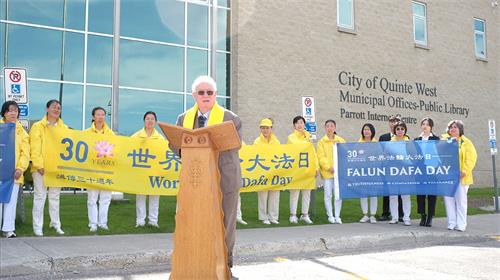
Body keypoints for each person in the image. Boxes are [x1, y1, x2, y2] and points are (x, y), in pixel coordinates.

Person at [173, 75, 242, 271]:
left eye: (209, 92)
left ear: (215, 95)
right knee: (193, 220)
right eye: (201, 92)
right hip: (195, 181)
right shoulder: (183, 118)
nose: (205, 96)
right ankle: (196, 262)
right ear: (194, 95)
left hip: (225, 179)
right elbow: (175, 144)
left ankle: (225, 265)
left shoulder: (231, 118)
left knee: (225, 222)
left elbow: (235, 144)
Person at [30, 99, 68, 236]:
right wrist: (38, 165)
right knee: (40, 197)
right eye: (53, 107)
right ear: (47, 109)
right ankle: (37, 226)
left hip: (56, 169)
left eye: (59, 108)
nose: (56, 110)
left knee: (55, 197)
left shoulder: (64, 128)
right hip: (40, 169)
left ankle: (55, 224)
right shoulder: (37, 126)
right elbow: (35, 148)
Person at [0, 101, 30, 238]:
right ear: (4, 113)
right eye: (10, 110)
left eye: (15, 111)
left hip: (14, 174)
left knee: (11, 202)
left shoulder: (22, 132)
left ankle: (8, 229)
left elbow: (25, 153)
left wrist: (20, 168)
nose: (13, 113)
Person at [442, 120, 477, 232]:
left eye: (455, 127)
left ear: (460, 129)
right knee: (449, 200)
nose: (453, 129)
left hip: (462, 176)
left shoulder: (466, 142)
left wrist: (464, 171)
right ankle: (451, 223)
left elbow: (471, 158)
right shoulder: (445, 141)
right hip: (448, 176)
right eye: (451, 127)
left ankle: (461, 225)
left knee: (461, 201)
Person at [131, 111, 164, 228]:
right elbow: (129, 150)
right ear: (144, 121)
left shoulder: (160, 138)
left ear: (155, 121)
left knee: (155, 197)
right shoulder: (136, 136)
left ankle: (153, 221)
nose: (150, 121)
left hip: (155, 172)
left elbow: (163, 154)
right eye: (147, 119)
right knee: (140, 197)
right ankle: (140, 221)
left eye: (152, 119)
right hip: (141, 172)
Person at [85, 107, 114, 232]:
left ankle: (103, 223)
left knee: (105, 198)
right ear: (93, 117)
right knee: (92, 198)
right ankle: (93, 223)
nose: (101, 117)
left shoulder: (110, 134)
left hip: (106, 170)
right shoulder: (86, 133)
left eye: (103, 114)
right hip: (92, 170)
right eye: (98, 114)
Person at [317, 120, 345, 224]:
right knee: (328, 195)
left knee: (338, 194)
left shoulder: (340, 140)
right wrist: (329, 167)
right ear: (325, 128)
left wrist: (339, 167)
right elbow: (321, 157)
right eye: (327, 126)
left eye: (332, 126)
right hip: (327, 173)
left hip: (338, 173)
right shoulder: (321, 142)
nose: (330, 128)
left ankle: (337, 215)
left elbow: (345, 154)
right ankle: (330, 215)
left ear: (335, 128)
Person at [253, 118, 281, 225]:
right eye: (263, 128)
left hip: (274, 171)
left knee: (274, 194)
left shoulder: (276, 141)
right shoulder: (257, 142)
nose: (265, 130)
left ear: (271, 129)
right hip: (262, 172)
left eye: (267, 128)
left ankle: (273, 216)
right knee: (263, 195)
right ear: (260, 129)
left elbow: (279, 155)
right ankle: (263, 217)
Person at [287, 116, 314, 224]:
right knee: (295, 192)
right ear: (294, 125)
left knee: (306, 192)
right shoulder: (291, 137)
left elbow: (313, 153)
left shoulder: (309, 137)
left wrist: (315, 167)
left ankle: (305, 214)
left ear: (304, 124)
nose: (300, 125)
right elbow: (294, 149)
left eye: (302, 122)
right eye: (297, 123)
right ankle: (293, 215)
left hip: (307, 168)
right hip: (296, 169)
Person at [415, 117, 440, 227]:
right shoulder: (416, 140)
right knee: (420, 194)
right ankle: (423, 215)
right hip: (420, 170)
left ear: (431, 127)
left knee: (431, 194)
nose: (425, 126)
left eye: (427, 124)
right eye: (423, 124)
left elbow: (439, 154)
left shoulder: (436, 139)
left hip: (432, 169)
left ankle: (430, 217)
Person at [378, 115, 404, 221]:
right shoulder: (383, 137)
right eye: (392, 121)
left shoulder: (405, 137)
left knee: (401, 192)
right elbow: (379, 153)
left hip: (401, 169)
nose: (394, 123)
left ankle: (401, 214)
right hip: (387, 168)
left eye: (396, 121)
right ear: (389, 123)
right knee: (387, 191)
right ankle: (385, 213)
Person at [389, 121, 412, 226]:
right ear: (394, 131)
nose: (400, 131)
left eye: (402, 129)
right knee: (393, 195)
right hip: (393, 172)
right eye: (398, 129)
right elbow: (386, 157)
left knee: (405, 196)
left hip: (405, 172)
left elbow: (414, 157)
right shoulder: (390, 143)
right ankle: (394, 217)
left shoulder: (409, 143)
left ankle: (406, 217)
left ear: (405, 130)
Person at [358, 123, 378, 224]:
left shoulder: (376, 143)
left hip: (373, 172)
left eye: (368, 130)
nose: (366, 131)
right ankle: (365, 215)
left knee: (374, 194)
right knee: (363, 194)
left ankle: (373, 215)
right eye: (364, 129)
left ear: (372, 131)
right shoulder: (358, 143)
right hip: (362, 172)